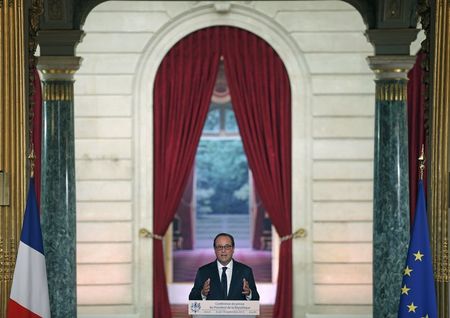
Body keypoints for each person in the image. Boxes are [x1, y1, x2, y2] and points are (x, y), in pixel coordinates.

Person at [189, 232, 260, 301]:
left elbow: (256, 297)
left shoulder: (245, 271)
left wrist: (249, 293)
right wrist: (203, 293)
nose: (223, 250)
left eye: (227, 247)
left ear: (233, 249)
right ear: (215, 249)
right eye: (219, 247)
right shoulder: (203, 271)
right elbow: (192, 298)